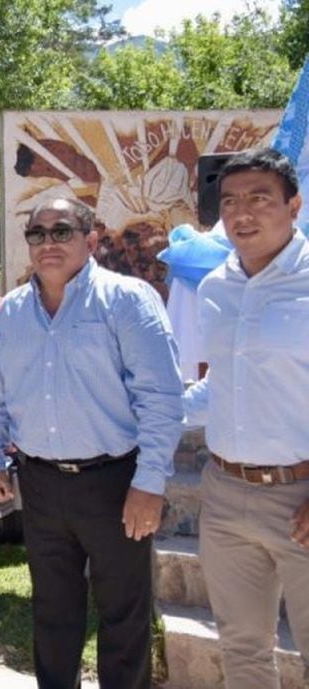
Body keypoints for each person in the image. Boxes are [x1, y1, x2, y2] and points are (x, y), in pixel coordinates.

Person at [0, 197, 184, 689]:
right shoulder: (13, 310)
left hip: (115, 483)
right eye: (38, 233)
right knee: (52, 612)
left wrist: (149, 483)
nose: (48, 243)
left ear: (90, 240)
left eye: (61, 230)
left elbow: (162, 398)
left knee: (124, 616)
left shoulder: (126, 300)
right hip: (40, 483)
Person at [183, 147, 309, 689]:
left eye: (260, 198)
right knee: (242, 650)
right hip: (226, 493)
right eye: (230, 201)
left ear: (294, 205)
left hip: (301, 496)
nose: (242, 213)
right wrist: (151, 407)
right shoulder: (214, 289)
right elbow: (221, 387)